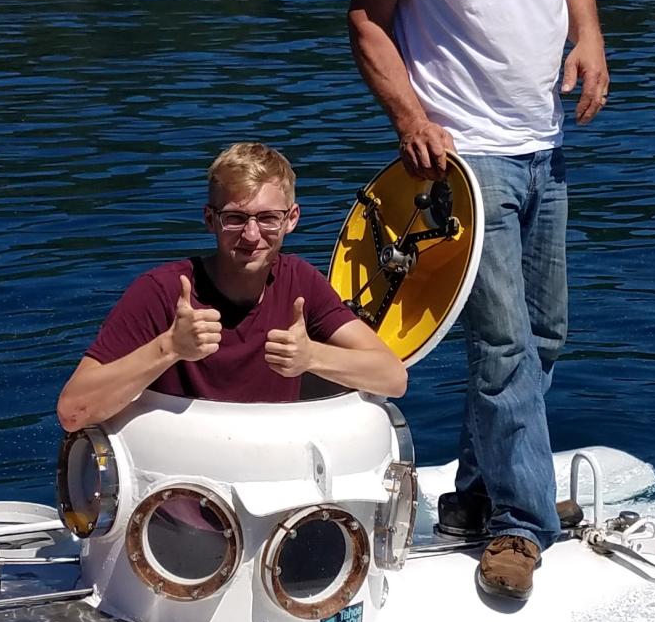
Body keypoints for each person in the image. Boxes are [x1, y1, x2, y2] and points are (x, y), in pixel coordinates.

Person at [346, 0, 610, 601]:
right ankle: (521, 526)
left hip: (544, 138)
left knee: (543, 335)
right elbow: (366, 18)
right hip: (461, 156)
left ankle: (475, 497)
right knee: (499, 344)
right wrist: (409, 115)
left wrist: (591, 40)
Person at [56, 143, 407, 430]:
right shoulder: (162, 291)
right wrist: (169, 347)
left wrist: (312, 356)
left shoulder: (300, 282)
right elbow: (72, 412)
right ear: (210, 220)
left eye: (269, 218)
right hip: (177, 479)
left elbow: (393, 378)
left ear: (292, 220)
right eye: (235, 218)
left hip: (271, 470)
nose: (252, 236)